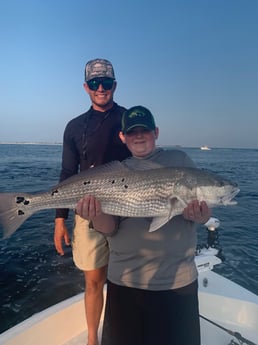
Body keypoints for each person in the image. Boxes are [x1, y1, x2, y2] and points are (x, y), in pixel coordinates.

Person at [75, 105, 211, 345]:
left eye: (145, 130)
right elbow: (109, 229)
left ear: (156, 132)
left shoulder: (179, 160)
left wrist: (200, 215)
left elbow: (196, 214)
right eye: (132, 132)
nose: (139, 136)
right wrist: (93, 215)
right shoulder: (117, 171)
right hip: (124, 282)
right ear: (123, 137)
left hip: (176, 282)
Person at [54, 58, 131, 345]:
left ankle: (124, 332)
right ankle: (92, 338)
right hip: (89, 214)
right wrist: (60, 219)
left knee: (127, 280)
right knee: (94, 281)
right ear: (86, 87)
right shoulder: (74, 127)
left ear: (115, 85)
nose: (102, 88)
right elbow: (66, 173)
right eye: (95, 83)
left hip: (130, 210)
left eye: (107, 83)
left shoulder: (129, 119)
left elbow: (146, 158)